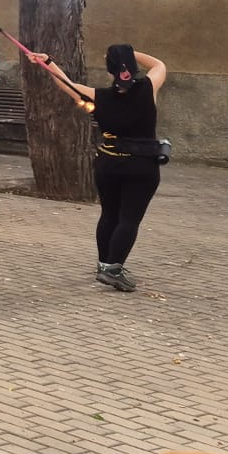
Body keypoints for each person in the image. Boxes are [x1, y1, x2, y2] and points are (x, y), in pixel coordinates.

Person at [29, 45, 169, 292]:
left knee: (109, 214)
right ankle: (113, 269)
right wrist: (129, 53)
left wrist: (47, 62)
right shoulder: (147, 88)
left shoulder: (99, 96)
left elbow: (67, 84)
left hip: (108, 163)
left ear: (110, 68)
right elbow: (159, 64)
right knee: (129, 218)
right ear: (131, 67)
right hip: (141, 166)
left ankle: (104, 263)